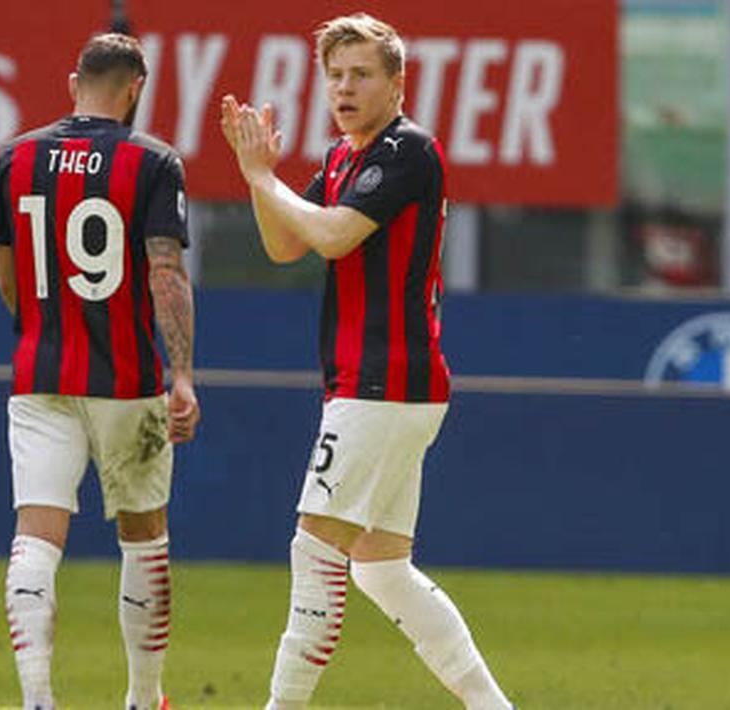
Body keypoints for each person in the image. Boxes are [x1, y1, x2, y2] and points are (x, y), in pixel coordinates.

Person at [220, 13, 514, 710]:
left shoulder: (405, 150)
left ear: (397, 83)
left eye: (360, 75)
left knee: (313, 548)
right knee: (381, 570)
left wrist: (263, 175)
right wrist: (255, 178)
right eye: (335, 76)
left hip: (383, 380)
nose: (344, 88)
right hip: (382, 384)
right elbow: (284, 246)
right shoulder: (342, 156)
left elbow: (329, 237)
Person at [0, 32, 198, 710]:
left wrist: (41, 326)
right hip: (126, 382)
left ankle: (38, 699)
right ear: (135, 88)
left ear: (74, 79)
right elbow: (165, 270)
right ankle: (142, 697)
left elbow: (7, 272)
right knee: (143, 536)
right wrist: (182, 374)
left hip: (39, 374)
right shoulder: (154, 161)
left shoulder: (14, 158)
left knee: (36, 537)